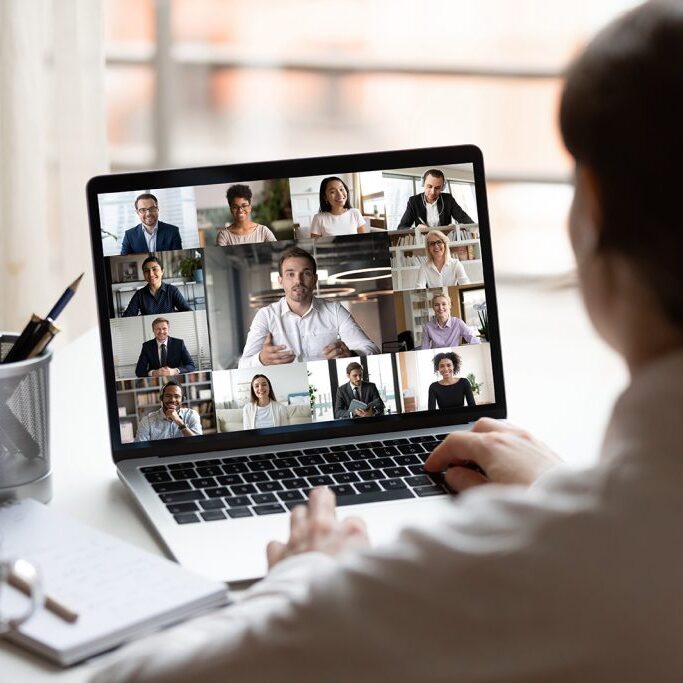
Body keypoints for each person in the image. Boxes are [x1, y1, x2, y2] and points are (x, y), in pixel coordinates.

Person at [92, 3, 683, 680]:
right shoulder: (596, 533)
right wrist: (565, 493)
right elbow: (238, 362)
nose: (293, 278)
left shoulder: (498, 571)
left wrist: (307, 579)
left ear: (594, 207)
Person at [238, 246, 379, 367]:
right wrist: (262, 359)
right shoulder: (266, 316)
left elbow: (372, 349)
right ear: (280, 280)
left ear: (315, 280)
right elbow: (243, 365)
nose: (298, 281)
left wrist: (351, 354)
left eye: (305, 273)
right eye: (290, 274)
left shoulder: (334, 310)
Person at [397, 168, 473, 229]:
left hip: (444, 240)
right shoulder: (414, 201)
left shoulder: (448, 199)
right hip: (423, 241)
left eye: (437, 188)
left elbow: (469, 222)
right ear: (423, 184)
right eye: (429, 186)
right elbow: (401, 227)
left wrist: (457, 227)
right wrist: (415, 229)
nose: (433, 192)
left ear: (442, 188)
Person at [122, 256, 192, 317]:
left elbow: (188, 312)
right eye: (146, 271)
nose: (151, 274)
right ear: (143, 274)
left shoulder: (172, 290)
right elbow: (127, 316)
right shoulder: (139, 295)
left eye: (154, 269)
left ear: (162, 271)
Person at [134, 380, 202, 442]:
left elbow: (198, 443)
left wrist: (179, 421)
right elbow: (140, 449)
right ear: (161, 398)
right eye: (168, 396)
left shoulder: (192, 415)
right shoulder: (147, 421)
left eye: (177, 396)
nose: (172, 400)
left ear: (183, 400)